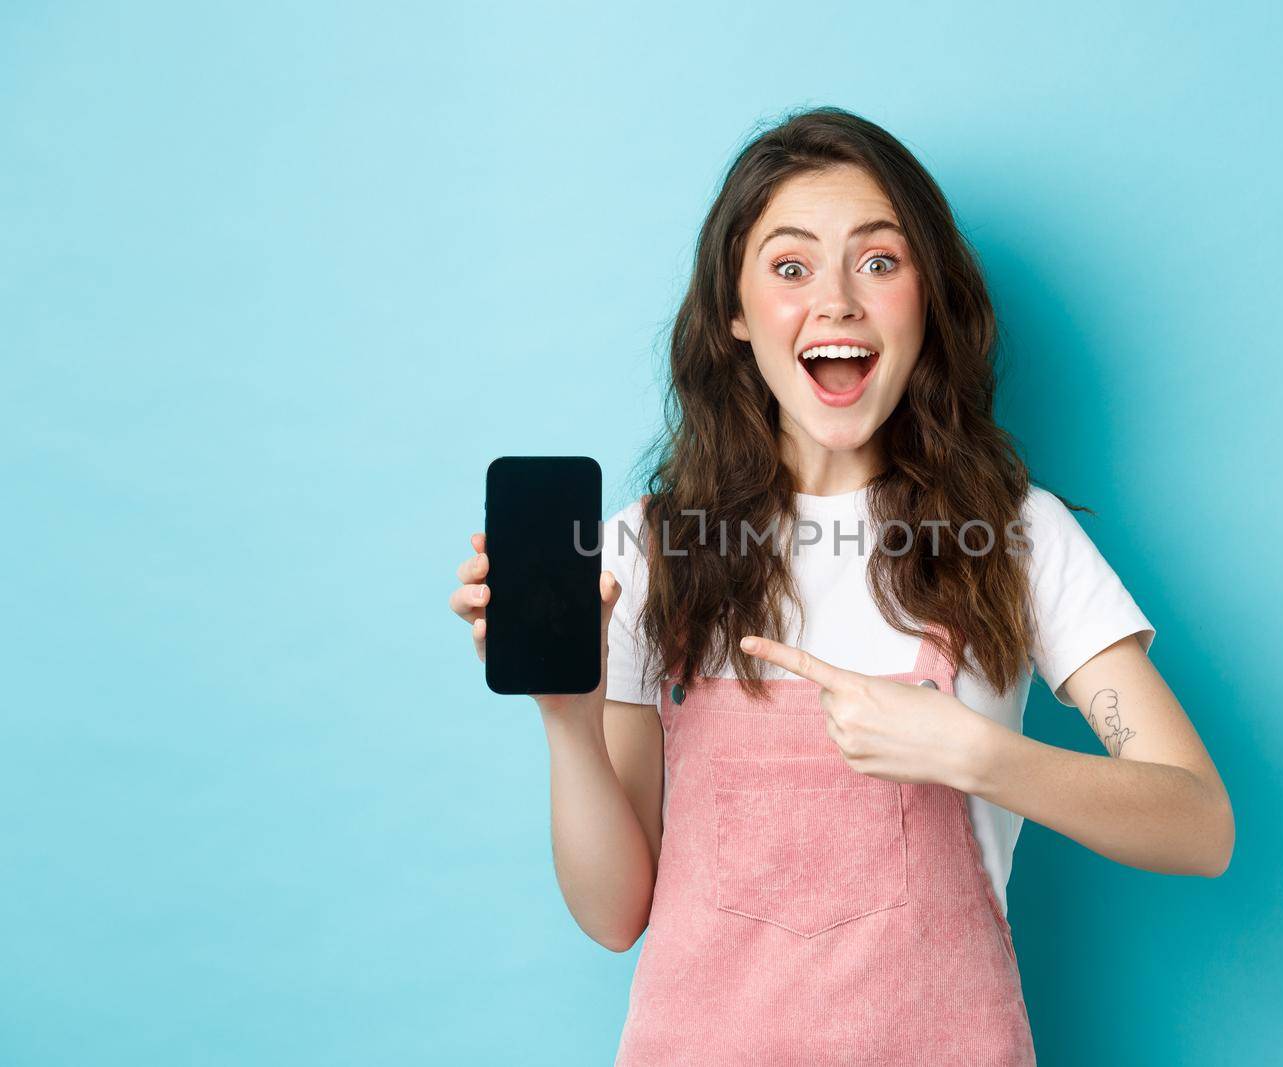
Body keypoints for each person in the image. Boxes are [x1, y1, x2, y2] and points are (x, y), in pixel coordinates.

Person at [449, 106, 1234, 1065]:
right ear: (734, 315)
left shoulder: (1020, 536)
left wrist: (974, 754)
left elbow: (1199, 823)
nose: (837, 303)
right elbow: (616, 916)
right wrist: (567, 722)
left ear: (927, 297)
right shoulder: (645, 555)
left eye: (878, 261)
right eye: (790, 267)